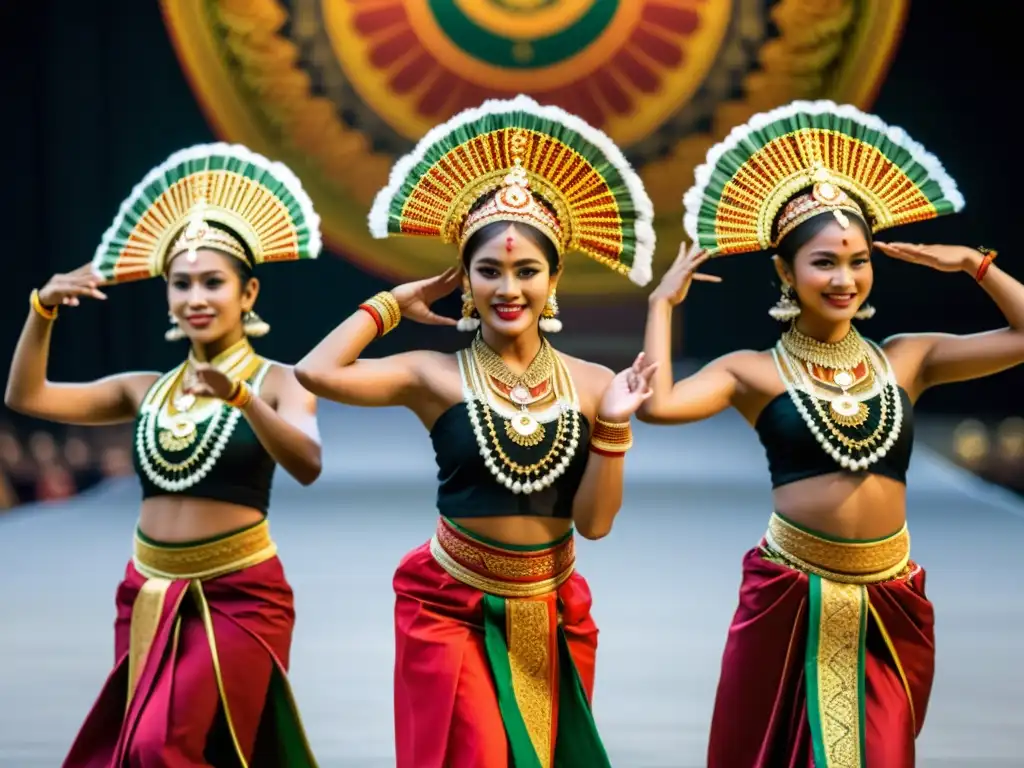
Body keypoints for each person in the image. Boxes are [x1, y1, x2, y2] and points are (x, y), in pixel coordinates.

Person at [639, 99, 1024, 767]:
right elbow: (660, 405)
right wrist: (661, 306)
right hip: (791, 593)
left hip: (888, 596)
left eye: (858, 260)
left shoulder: (907, 357)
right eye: (824, 262)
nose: (844, 278)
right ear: (787, 272)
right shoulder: (754, 371)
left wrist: (974, 265)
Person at [296, 95, 656, 768]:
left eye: (527, 271)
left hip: (552, 606)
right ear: (465, 280)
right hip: (449, 604)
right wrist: (390, 306)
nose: (508, 287)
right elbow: (315, 373)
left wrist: (612, 427)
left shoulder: (591, 382)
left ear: (553, 281)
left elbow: (597, 525)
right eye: (489, 270)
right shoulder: (433, 375)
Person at [5, 143, 325, 766]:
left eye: (213, 283)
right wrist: (41, 311)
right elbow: (28, 395)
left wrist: (243, 399)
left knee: (162, 744)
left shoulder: (279, 381)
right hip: (148, 590)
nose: (195, 298)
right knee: (152, 748)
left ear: (248, 292)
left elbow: (307, 463)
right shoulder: (143, 389)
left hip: (241, 592)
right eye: (181, 284)